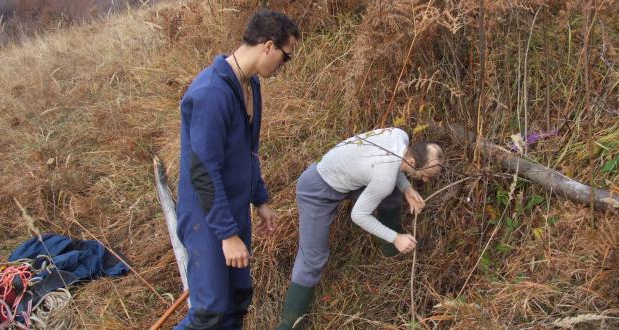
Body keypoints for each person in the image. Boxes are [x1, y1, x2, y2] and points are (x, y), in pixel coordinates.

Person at [175, 9, 299, 329]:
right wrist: (227, 235)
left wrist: (261, 200)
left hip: (235, 211)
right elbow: (203, 172)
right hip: (208, 221)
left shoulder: (250, 86)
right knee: (210, 312)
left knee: (237, 300)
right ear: (268, 46)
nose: (284, 66)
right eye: (287, 57)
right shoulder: (211, 94)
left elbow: (247, 151)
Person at [277, 128, 444, 329]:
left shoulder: (400, 136)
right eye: (426, 175)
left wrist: (407, 188)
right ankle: (288, 325)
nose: (425, 180)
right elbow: (359, 215)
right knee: (313, 258)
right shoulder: (384, 177)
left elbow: (393, 165)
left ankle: (391, 251)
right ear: (414, 162)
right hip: (317, 189)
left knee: (390, 194)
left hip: (347, 175)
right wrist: (395, 237)